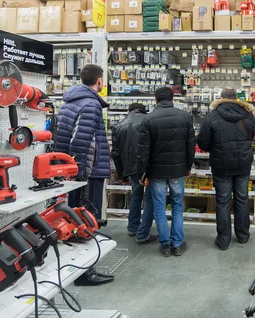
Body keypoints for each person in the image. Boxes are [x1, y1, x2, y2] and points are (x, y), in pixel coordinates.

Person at [55, 63, 114, 285]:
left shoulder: (70, 102)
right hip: (87, 172)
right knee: (88, 218)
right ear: (99, 81)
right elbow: (83, 141)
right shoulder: (91, 104)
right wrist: (82, 174)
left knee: (75, 218)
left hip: (74, 170)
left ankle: (76, 268)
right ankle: (86, 272)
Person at [137, 86, 195, 257]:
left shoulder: (147, 120)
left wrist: (143, 173)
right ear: (173, 99)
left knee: (159, 207)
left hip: (157, 172)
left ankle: (165, 245)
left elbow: (142, 151)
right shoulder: (185, 117)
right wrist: (188, 167)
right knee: (177, 205)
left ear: (155, 100)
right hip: (178, 170)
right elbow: (190, 146)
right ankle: (177, 244)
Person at [196, 88, 255, 250]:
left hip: (221, 164)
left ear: (221, 98)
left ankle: (223, 240)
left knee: (222, 201)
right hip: (243, 164)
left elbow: (203, 143)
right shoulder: (248, 115)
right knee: (242, 198)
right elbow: (251, 136)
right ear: (236, 99)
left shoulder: (212, 116)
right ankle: (243, 236)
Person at [111, 103, 157, 244]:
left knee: (136, 195)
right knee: (150, 198)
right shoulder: (149, 121)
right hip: (149, 167)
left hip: (131, 168)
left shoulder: (118, 126)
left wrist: (121, 174)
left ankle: (132, 227)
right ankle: (143, 232)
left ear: (128, 110)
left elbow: (116, 153)